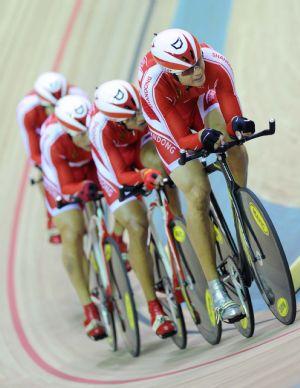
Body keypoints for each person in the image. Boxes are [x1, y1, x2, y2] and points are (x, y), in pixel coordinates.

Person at [138, 28, 255, 322]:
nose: (199, 71)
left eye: (199, 62)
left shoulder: (213, 62)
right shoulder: (154, 85)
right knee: (198, 193)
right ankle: (216, 289)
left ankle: (242, 214)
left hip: (201, 103)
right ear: (171, 73)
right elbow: (181, 138)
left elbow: (228, 102)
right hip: (169, 123)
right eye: (189, 71)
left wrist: (237, 125)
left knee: (234, 146)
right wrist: (201, 139)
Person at [88, 79, 180, 338]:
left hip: (140, 146)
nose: (141, 116)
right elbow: (119, 174)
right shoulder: (100, 129)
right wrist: (142, 176)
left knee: (167, 176)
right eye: (134, 115)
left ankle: (180, 255)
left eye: (140, 109)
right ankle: (155, 308)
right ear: (118, 121)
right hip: (115, 169)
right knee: (138, 226)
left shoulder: (140, 108)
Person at [40, 94, 106, 340]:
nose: (88, 139)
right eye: (81, 136)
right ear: (68, 132)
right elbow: (64, 186)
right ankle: (88, 307)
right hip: (63, 177)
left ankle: (114, 245)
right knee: (73, 231)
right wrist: (79, 191)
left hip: (92, 165)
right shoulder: (53, 140)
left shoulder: (95, 123)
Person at [17, 72, 87, 243]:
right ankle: (52, 212)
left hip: (74, 142)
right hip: (49, 148)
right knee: (41, 174)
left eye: (61, 104)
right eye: (52, 107)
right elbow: (34, 153)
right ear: (42, 104)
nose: (58, 111)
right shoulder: (27, 110)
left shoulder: (78, 98)